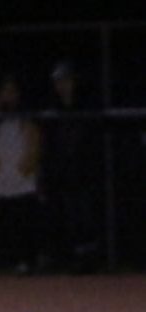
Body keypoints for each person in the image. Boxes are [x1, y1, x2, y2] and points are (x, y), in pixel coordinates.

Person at [0, 74, 44, 274]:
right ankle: (3, 262)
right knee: (2, 226)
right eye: (4, 92)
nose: (7, 97)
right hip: (0, 182)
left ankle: (26, 260)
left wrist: (22, 171)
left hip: (23, 182)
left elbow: (34, 147)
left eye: (11, 92)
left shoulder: (26, 120)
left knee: (23, 224)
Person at [43, 60, 101, 272]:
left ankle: (90, 259)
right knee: (67, 215)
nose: (62, 85)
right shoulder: (53, 108)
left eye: (66, 80)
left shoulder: (86, 104)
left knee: (85, 215)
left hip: (84, 170)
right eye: (58, 82)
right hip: (62, 171)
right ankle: (70, 258)